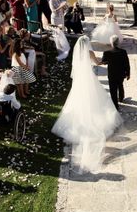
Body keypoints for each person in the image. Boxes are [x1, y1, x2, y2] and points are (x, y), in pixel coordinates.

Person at [51, 36, 123, 173]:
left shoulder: (76, 53)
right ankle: (93, 119)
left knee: (77, 98)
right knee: (94, 97)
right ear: (87, 44)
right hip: (88, 78)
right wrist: (104, 62)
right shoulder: (89, 52)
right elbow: (96, 62)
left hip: (79, 79)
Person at [100, 35, 131, 110]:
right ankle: (121, 97)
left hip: (112, 74)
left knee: (113, 89)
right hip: (121, 73)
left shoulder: (107, 53)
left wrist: (107, 62)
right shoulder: (123, 52)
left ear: (111, 43)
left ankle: (115, 105)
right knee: (120, 85)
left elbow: (104, 61)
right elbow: (127, 63)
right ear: (118, 43)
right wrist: (128, 73)